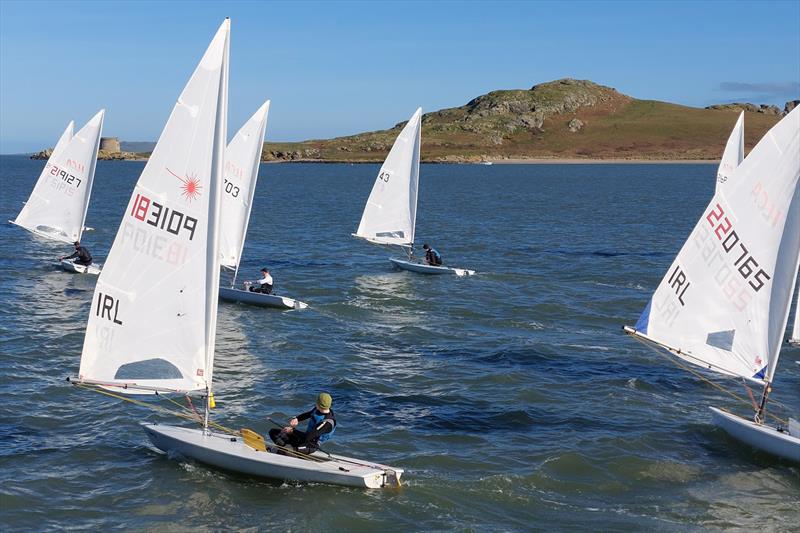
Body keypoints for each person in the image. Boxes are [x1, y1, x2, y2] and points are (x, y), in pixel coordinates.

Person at [269, 392, 336, 454]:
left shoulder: (327, 423)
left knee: (289, 451)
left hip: (311, 445)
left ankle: (283, 452)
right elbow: (308, 414)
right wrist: (297, 419)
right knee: (273, 432)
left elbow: (308, 437)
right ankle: (282, 450)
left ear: (318, 403)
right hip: (303, 438)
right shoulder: (317, 409)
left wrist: (292, 431)